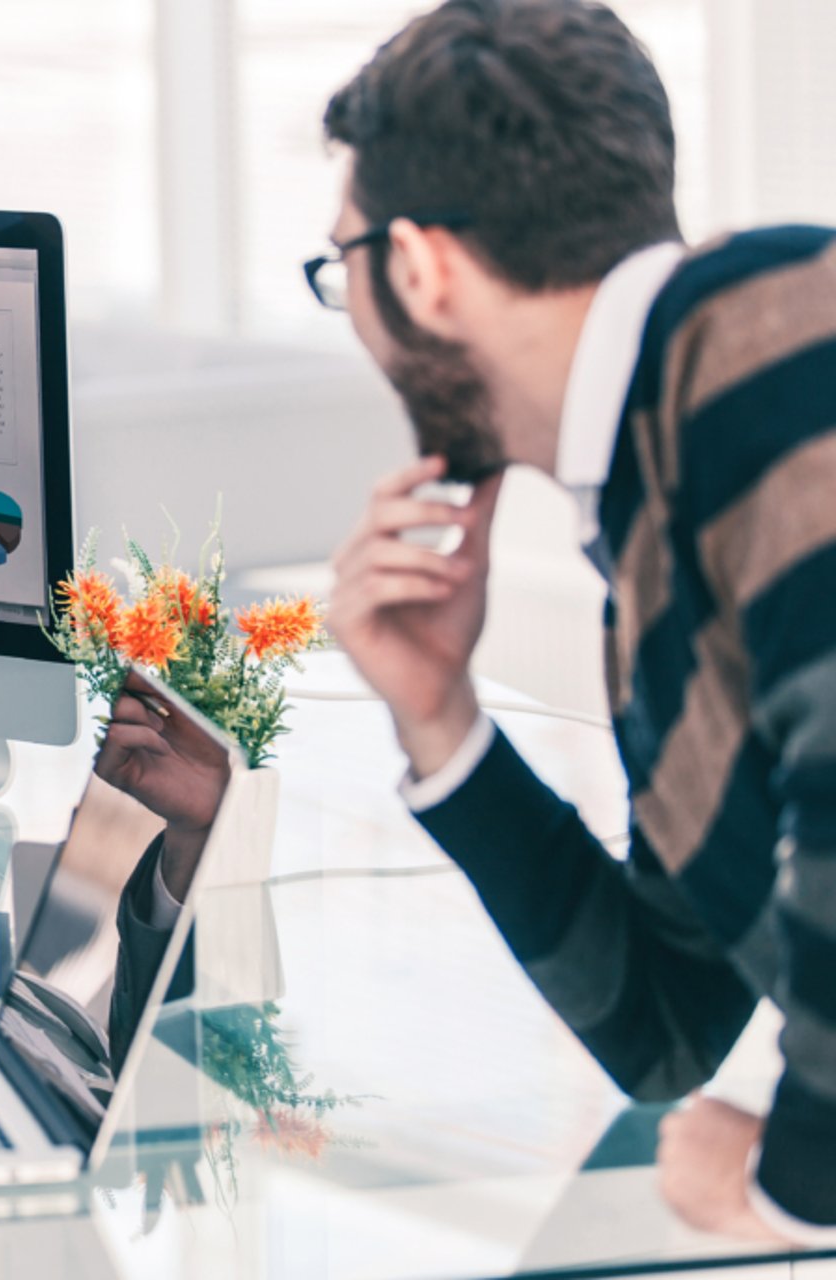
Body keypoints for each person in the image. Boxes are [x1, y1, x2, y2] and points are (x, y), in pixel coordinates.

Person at [316, 0, 836, 1241]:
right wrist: (442, 718)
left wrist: (791, 1180)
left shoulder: (777, 347)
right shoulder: (660, 487)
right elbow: (665, 1023)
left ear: (419, 268)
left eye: (343, 271)